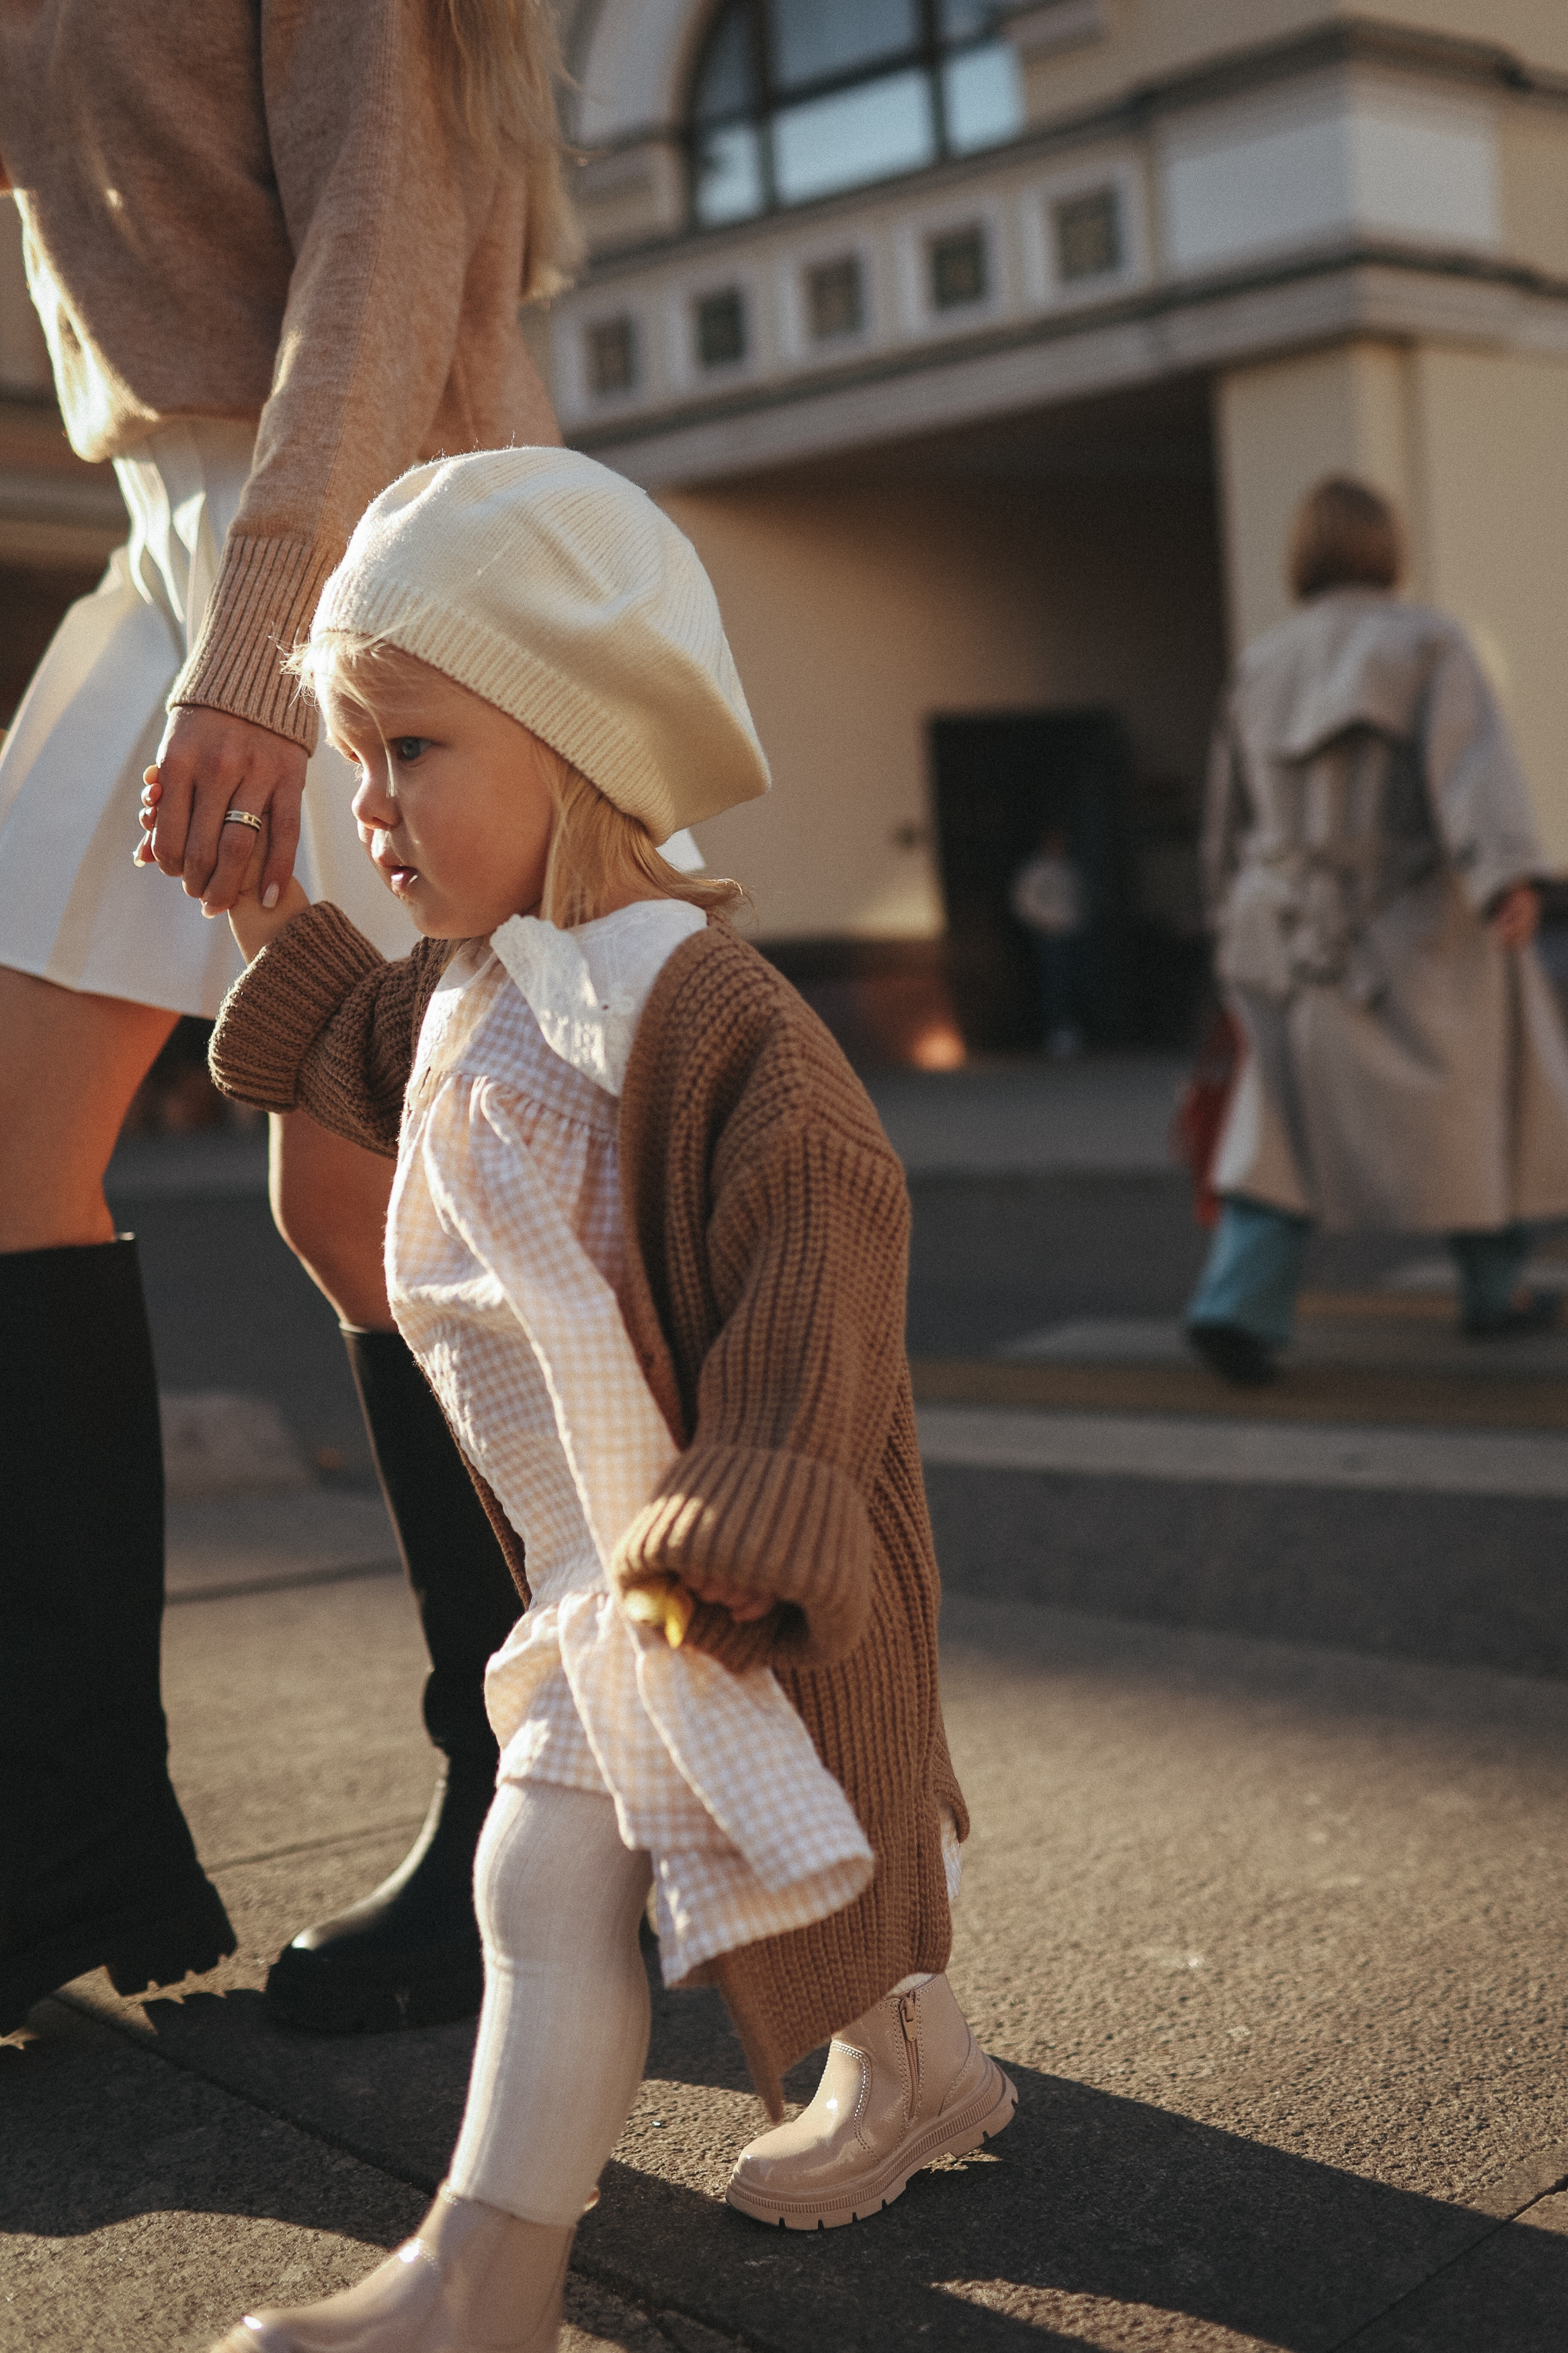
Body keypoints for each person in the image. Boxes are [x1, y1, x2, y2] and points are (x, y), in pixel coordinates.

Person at [168, 446, 1015, 2350]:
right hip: (605, 1571)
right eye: (359, 757)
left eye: (414, 752)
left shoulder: (708, 1019)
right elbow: (370, 1048)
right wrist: (259, 927)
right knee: (808, 1867)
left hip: (725, 1555)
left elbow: (822, 1248)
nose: (370, 806)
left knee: (552, 1869)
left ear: (571, 740)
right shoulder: (473, 993)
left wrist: (748, 1512)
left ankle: (486, 2283)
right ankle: (924, 2068)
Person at [0, 1, 581, 2040]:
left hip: (368, 528)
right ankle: (51, 1830)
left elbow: (383, 257)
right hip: (169, 525)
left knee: (371, 1198)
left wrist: (263, 650)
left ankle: (555, 1803)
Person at [1186, 476, 1568, 1386]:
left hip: (1285, 931)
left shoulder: (1262, 660)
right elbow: (1469, 766)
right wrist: (1501, 876)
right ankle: (1494, 1290)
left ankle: (1236, 1305)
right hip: (1409, 923)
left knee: (1278, 1127)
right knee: (1484, 1100)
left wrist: (1222, 924)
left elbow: (1225, 817)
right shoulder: (1430, 643)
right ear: (1387, 548)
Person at [1010, 824, 1088, 1055]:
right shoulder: (1034, 870)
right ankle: (1054, 1033)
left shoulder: (1070, 869)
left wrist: (1078, 922)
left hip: (1072, 932)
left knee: (1073, 981)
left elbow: (1080, 899)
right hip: (1049, 934)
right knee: (1054, 982)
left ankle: (1071, 1032)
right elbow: (1023, 902)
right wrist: (1041, 923)